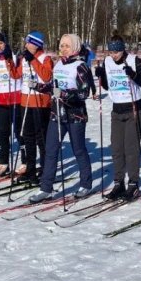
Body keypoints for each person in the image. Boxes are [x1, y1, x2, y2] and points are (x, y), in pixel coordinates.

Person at [30, 33, 95, 203]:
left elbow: (83, 93)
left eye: (67, 46)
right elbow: (53, 87)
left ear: (75, 47)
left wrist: (65, 94)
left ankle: (86, 184)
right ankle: (46, 188)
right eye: (61, 45)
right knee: (51, 151)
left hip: (75, 115)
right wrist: (37, 86)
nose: (63, 49)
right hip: (56, 114)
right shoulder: (58, 65)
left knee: (79, 150)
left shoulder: (81, 66)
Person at [94, 34, 141, 200]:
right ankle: (119, 183)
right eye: (111, 51)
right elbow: (106, 85)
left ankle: (133, 184)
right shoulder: (108, 62)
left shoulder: (134, 60)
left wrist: (133, 74)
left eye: (117, 51)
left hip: (134, 109)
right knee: (117, 149)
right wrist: (101, 75)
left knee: (131, 149)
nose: (114, 55)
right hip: (116, 110)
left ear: (123, 49)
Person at [9, 30, 53, 184]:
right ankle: (30, 169)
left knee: (41, 138)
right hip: (25, 101)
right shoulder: (24, 58)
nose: (26, 45)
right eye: (26, 42)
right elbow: (15, 75)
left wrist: (33, 60)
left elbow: (46, 76)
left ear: (36, 45)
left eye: (29, 43)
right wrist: (9, 59)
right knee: (27, 137)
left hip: (40, 102)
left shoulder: (45, 58)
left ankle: (46, 169)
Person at [0, 31, 25, 177]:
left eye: (1, 43)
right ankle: (3, 164)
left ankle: (25, 162)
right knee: (2, 133)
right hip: (2, 102)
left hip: (16, 100)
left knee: (19, 133)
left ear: (6, 43)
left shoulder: (15, 57)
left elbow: (21, 73)